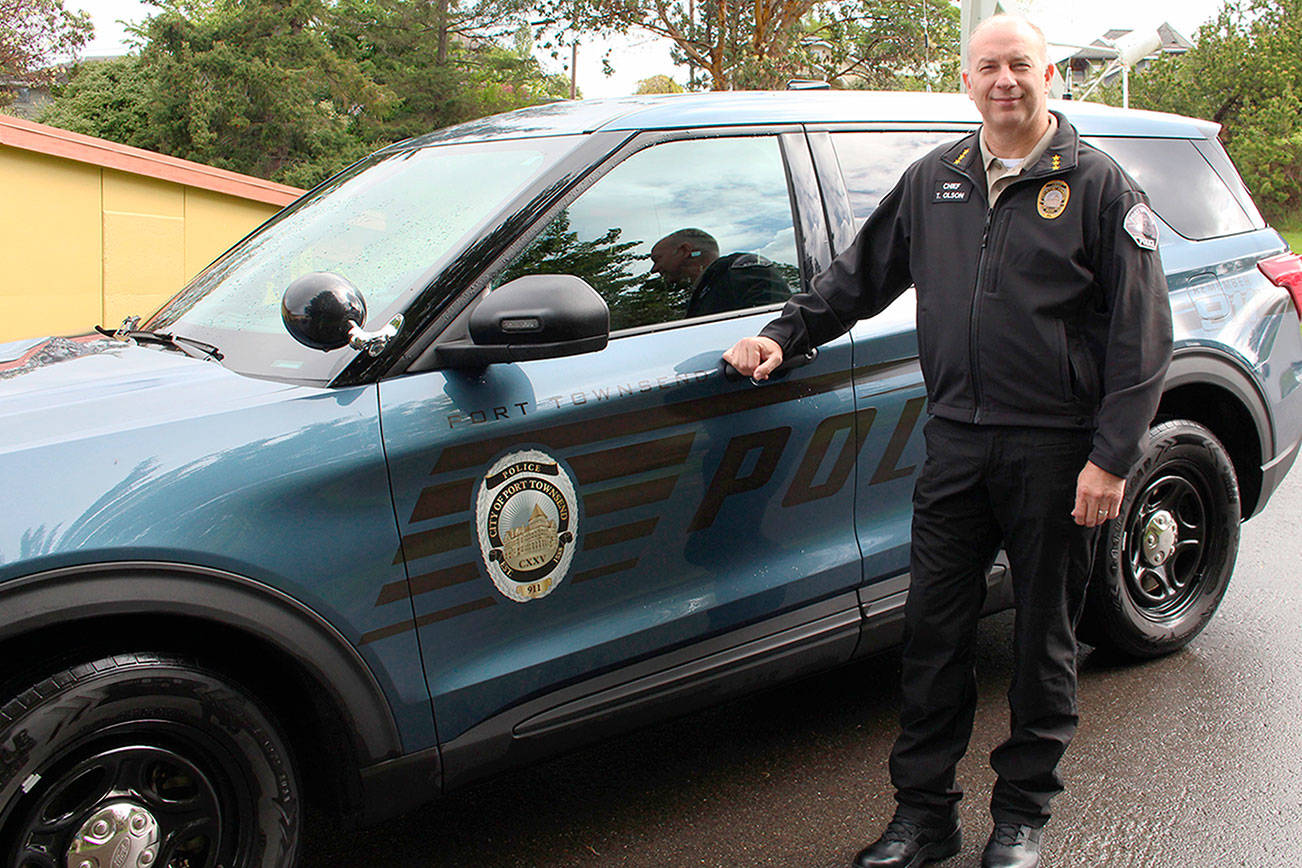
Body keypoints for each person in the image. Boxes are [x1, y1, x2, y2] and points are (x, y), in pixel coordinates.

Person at [723, 14, 1172, 868]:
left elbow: (1142, 336)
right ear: (966, 80)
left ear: (1049, 75)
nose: (1004, 80)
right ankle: (924, 817)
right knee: (933, 637)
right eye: (987, 66)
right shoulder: (937, 179)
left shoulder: (1099, 186)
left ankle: (1022, 817)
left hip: (1057, 452)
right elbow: (858, 278)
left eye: (1020, 65)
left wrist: (1111, 458)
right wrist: (784, 334)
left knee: (1042, 643)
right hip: (958, 443)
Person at [649, 228, 790, 317]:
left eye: (657, 259)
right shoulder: (705, 291)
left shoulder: (743, 272)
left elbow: (776, 323)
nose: (654, 269)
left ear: (684, 250)